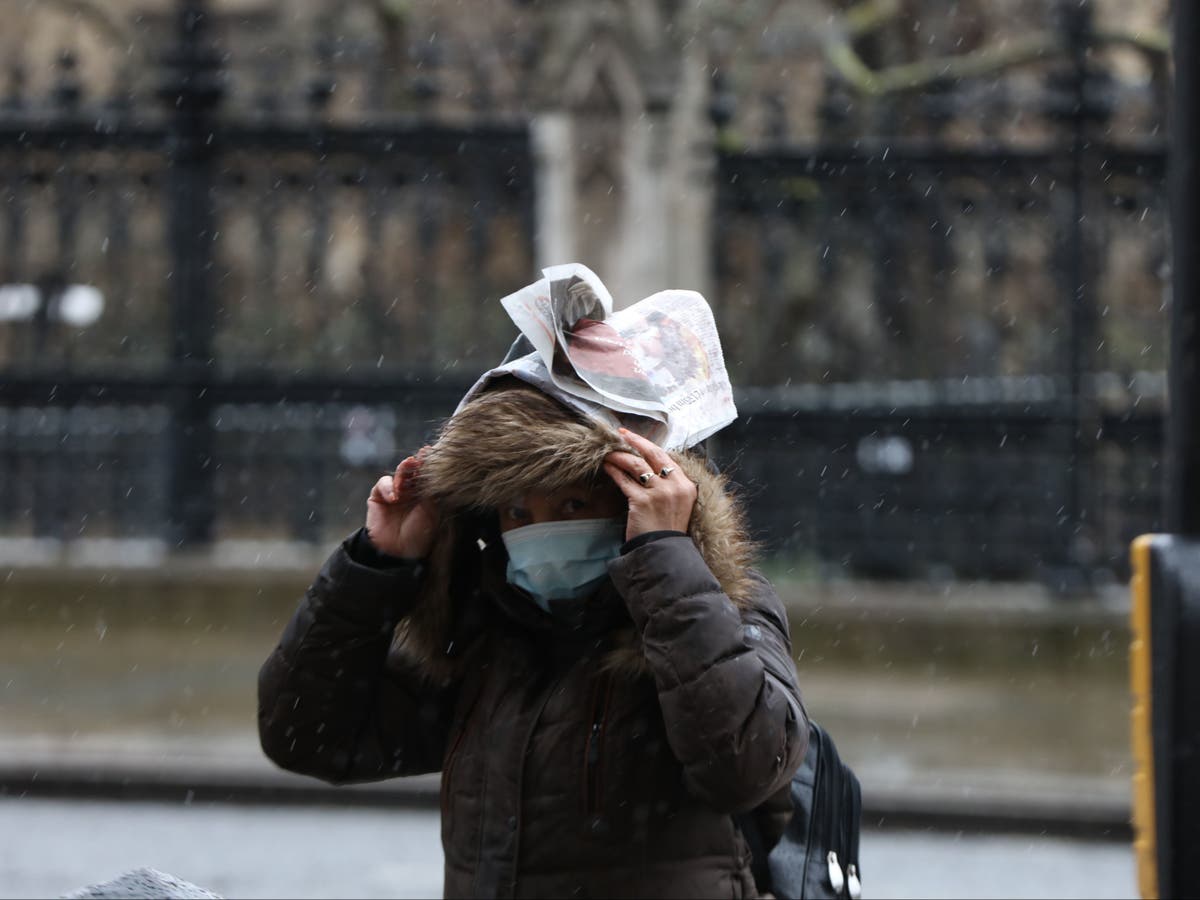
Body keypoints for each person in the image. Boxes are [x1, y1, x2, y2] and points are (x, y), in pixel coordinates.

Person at [258, 378, 808, 898]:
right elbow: (308, 735)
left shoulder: (717, 602)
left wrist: (665, 554)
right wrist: (375, 566)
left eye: (572, 505)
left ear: (630, 500)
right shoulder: (490, 632)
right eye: (518, 512)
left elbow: (746, 767)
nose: (540, 531)